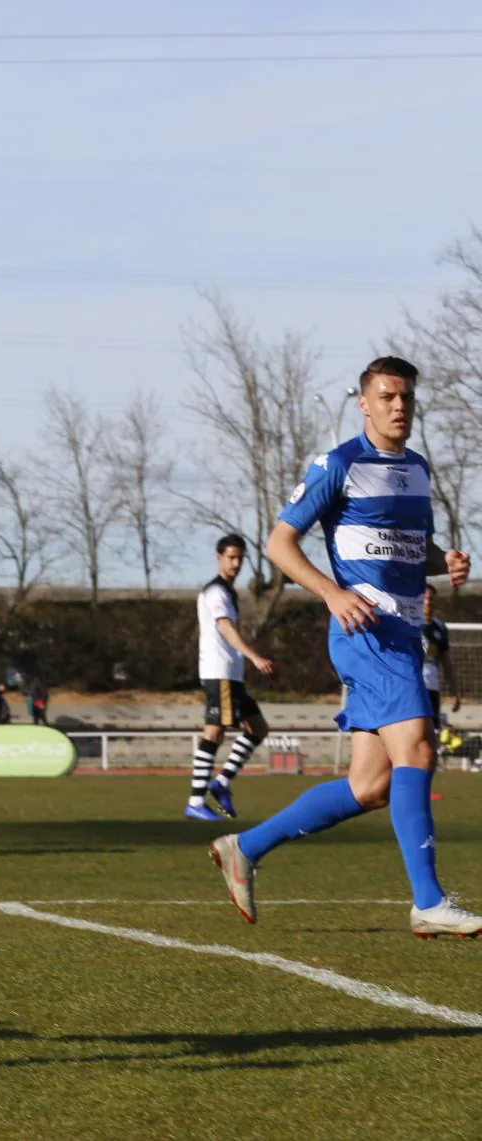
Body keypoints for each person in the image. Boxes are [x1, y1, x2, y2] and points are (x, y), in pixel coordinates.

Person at [210, 356, 482, 938]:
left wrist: (445, 561)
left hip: (403, 636)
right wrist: (332, 593)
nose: (398, 406)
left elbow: (411, 547)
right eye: (386, 397)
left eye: (406, 396)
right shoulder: (339, 464)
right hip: (366, 632)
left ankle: (244, 846)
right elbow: (280, 544)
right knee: (419, 750)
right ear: (364, 403)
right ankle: (429, 900)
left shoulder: (417, 469)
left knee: (372, 786)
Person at [185, 535, 274, 822]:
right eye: (231, 557)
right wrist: (254, 656)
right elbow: (225, 628)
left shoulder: (228, 591)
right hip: (218, 672)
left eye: (239, 558)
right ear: (219, 557)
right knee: (214, 732)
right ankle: (196, 801)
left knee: (258, 728)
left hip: (231, 676)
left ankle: (221, 783)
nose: (236, 563)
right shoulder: (216, 592)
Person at [421, 584, 460, 722]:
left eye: (430, 599)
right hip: (412, 687)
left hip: (432, 688)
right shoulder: (408, 624)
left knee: (433, 733)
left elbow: (446, 662)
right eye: (423, 598)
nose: (427, 602)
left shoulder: (440, 627)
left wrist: (454, 691)